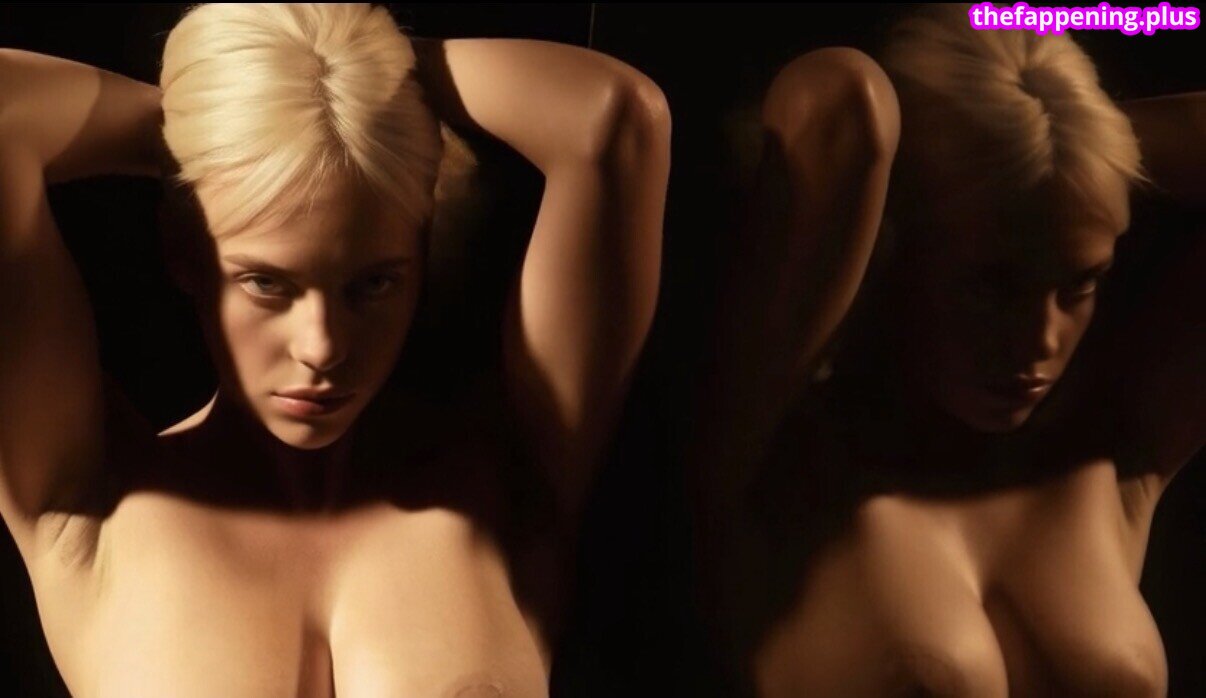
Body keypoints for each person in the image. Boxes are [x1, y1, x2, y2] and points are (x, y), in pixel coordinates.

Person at [0, 3, 669, 696]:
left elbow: (612, 119)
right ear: (184, 252)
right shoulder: (82, 508)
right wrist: (229, 126)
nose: (323, 346)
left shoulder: (511, 485)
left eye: (373, 284)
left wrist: (353, 87)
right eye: (267, 284)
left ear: (419, 259)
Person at [691, 4, 1203, 696]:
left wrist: (1078, 144)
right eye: (991, 289)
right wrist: (973, 142)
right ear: (895, 250)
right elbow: (838, 102)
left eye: (1079, 284)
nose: (1040, 339)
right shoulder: (776, 459)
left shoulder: (1110, 457)